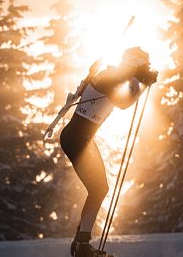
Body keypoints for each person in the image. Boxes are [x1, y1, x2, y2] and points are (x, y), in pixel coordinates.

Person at [58, 47, 158, 257]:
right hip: (77, 141)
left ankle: (80, 243)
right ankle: (81, 246)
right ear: (135, 63)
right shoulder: (113, 76)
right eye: (143, 65)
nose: (145, 68)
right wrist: (142, 82)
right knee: (99, 189)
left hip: (81, 140)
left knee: (100, 189)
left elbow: (124, 92)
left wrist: (139, 80)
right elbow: (123, 102)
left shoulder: (115, 75)